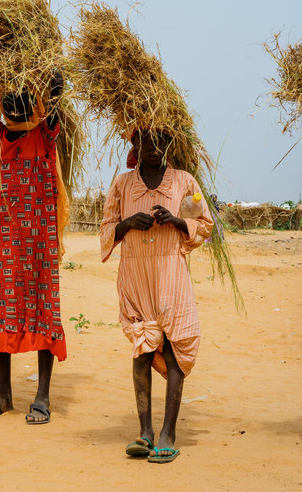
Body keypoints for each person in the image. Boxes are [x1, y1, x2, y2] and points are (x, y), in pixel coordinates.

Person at [100, 130, 213, 463]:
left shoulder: (184, 182)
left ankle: (169, 433)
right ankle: (145, 431)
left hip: (171, 274)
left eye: (160, 142)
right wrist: (128, 224)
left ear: (170, 145)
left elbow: (204, 224)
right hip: (135, 275)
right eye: (146, 142)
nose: (153, 149)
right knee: (143, 348)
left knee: (176, 347)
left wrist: (177, 220)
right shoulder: (121, 184)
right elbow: (106, 229)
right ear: (136, 146)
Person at [0, 71, 68, 425]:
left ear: (32, 101)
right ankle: (3, 395)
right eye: (6, 95)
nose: (11, 100)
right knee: (0, 308)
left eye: (20, 94)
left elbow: (56, 97)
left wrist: (53, 71)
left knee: (42, 307)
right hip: (3, 241)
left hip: (38, 240)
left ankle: (42, 396)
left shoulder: (44, 135)